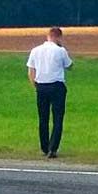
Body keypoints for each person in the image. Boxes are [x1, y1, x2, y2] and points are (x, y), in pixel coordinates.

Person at [26, 27, 73, 158]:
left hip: (41, 86)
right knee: (58, 118)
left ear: (48, 36)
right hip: (57, 86)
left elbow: (31, 71)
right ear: (58, 37)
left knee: (43, 118)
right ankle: (53, 148)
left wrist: (35, 85)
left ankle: (44, 147)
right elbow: (69, 66)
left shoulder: (35, 50)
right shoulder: (60, 50)